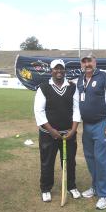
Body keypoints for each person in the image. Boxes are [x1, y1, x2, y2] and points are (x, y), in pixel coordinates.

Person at [34, 59, 81, 202]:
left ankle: (71, 186)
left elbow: (76, 109)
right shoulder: (43, 87)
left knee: (69, 162)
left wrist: (73, 130)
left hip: (68, 133)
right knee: (47, 162)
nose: (59, 71)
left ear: (64, 70)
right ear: (51, 70)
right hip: (48, 134)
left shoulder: (72, 87)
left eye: (61, 68)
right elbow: (39, 111)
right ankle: (46, 188)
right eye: (56, 68)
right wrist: (52, 130)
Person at [76, 53, 106, 210]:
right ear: (81, 64)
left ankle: (104, 195)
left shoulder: (104, 75)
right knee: (90, 158)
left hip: (103, 124)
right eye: (84, 61)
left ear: (95, 62)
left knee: (102, 160)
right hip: (87, 126)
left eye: (90, 61)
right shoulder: (80, 79)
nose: (87, 64)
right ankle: (95, 187)